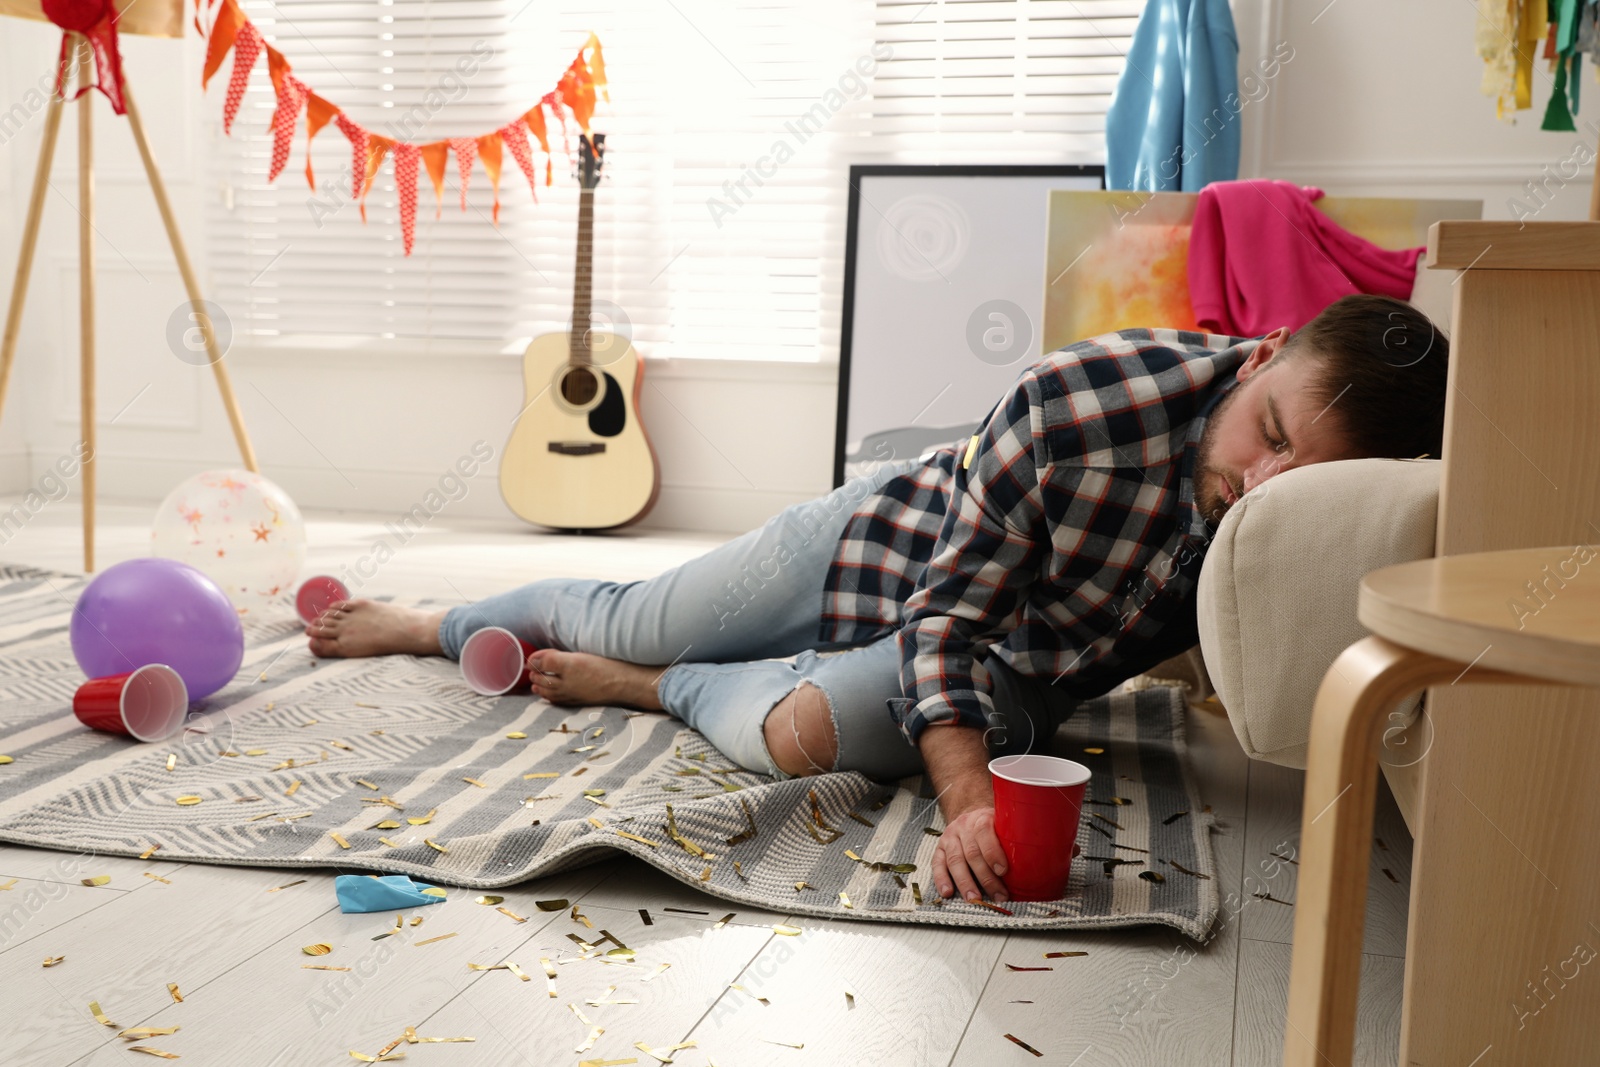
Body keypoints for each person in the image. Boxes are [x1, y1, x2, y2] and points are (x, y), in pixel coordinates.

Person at [306, 294, 1449, 907]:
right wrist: (963, 805)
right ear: (1255, 362)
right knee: (629, 609)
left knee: (801, 735)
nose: (1258, 487)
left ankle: (659, 693)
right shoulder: (1080, 399)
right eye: (1268, 439)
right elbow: (947, 615)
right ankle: (434, 621)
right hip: (881, 542)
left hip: (1017, 669)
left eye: (1300, 479)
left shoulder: (1308, 516)